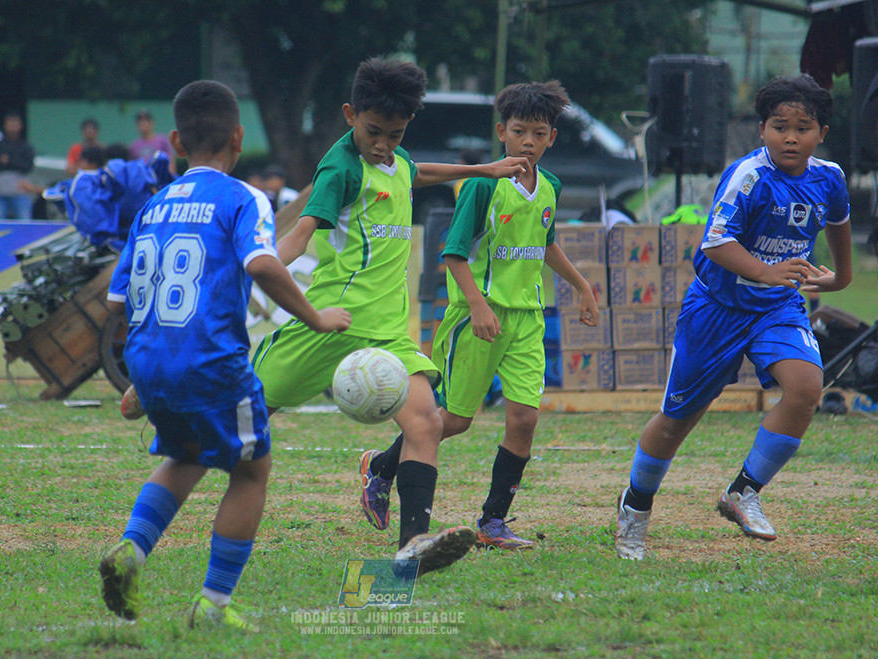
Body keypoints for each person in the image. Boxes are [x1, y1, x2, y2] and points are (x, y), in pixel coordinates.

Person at [250, 57, 532, 575]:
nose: (382, 144)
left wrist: (483, 169)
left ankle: (412, 546)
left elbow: (413, 171)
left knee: (425, 422)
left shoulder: (395, 160)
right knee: (238, 418)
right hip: (326, 325)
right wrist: (259, 264)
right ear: (349, 115)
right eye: (373, 132)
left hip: (385, 336)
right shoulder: (340, 168)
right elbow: (301, 231)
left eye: (395, 134)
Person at [100, 80, 351, 631]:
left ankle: (132, 552)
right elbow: (262, 264)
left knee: (188, 455)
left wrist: (144, 375)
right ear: (238, 137)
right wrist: (317, 316)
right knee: (252, 469)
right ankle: (213, 604)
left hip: (151, 357)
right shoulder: (244, 197)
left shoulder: (153, 206)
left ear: (174, 142)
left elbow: (119, 300)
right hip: (213, 361)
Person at [614, 74, 853, 561]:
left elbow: (839, 222)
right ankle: (634, 510)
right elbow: (716, 243)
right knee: (678, 419)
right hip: (716, 310)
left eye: (803, 127)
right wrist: (767, 271)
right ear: (761, 130)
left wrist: (840, 279)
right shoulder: (748, 176)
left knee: (806, 388)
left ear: (821, 133)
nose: (790, 137)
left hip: (777, 305)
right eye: (779, 126)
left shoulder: (829, 176)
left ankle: (743, 491)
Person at [359, 81, 600, 549]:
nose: (528, 141)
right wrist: (477, 305)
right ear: (501, 132)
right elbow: (452, 253)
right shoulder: (482, 185)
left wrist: (582, 285)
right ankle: (381, 467)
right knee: (455, 420)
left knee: (525, 420)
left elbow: (545, 243)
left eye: (539, 132)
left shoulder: (549, 186)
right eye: (518, 131)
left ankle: (493, 522)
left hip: (526, 318)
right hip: (479, 319)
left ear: (552, 137)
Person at [0, 111, 36, 220]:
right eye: (10, 124)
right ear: (5, 125)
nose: (12, 127)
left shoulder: (26, 146)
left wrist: (9, 161)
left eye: (15, 124)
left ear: (20, 126)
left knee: (24, 223)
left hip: (20, 193)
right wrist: (16, 162)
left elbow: (28, 166)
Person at [129, 109, 176, 175]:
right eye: (140, 121)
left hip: (161, 179)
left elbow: (171, 161)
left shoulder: (162, 141)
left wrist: (171, 177)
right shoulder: (134, 146)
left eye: (146, 120)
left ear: (152, 123)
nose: (143, 123)